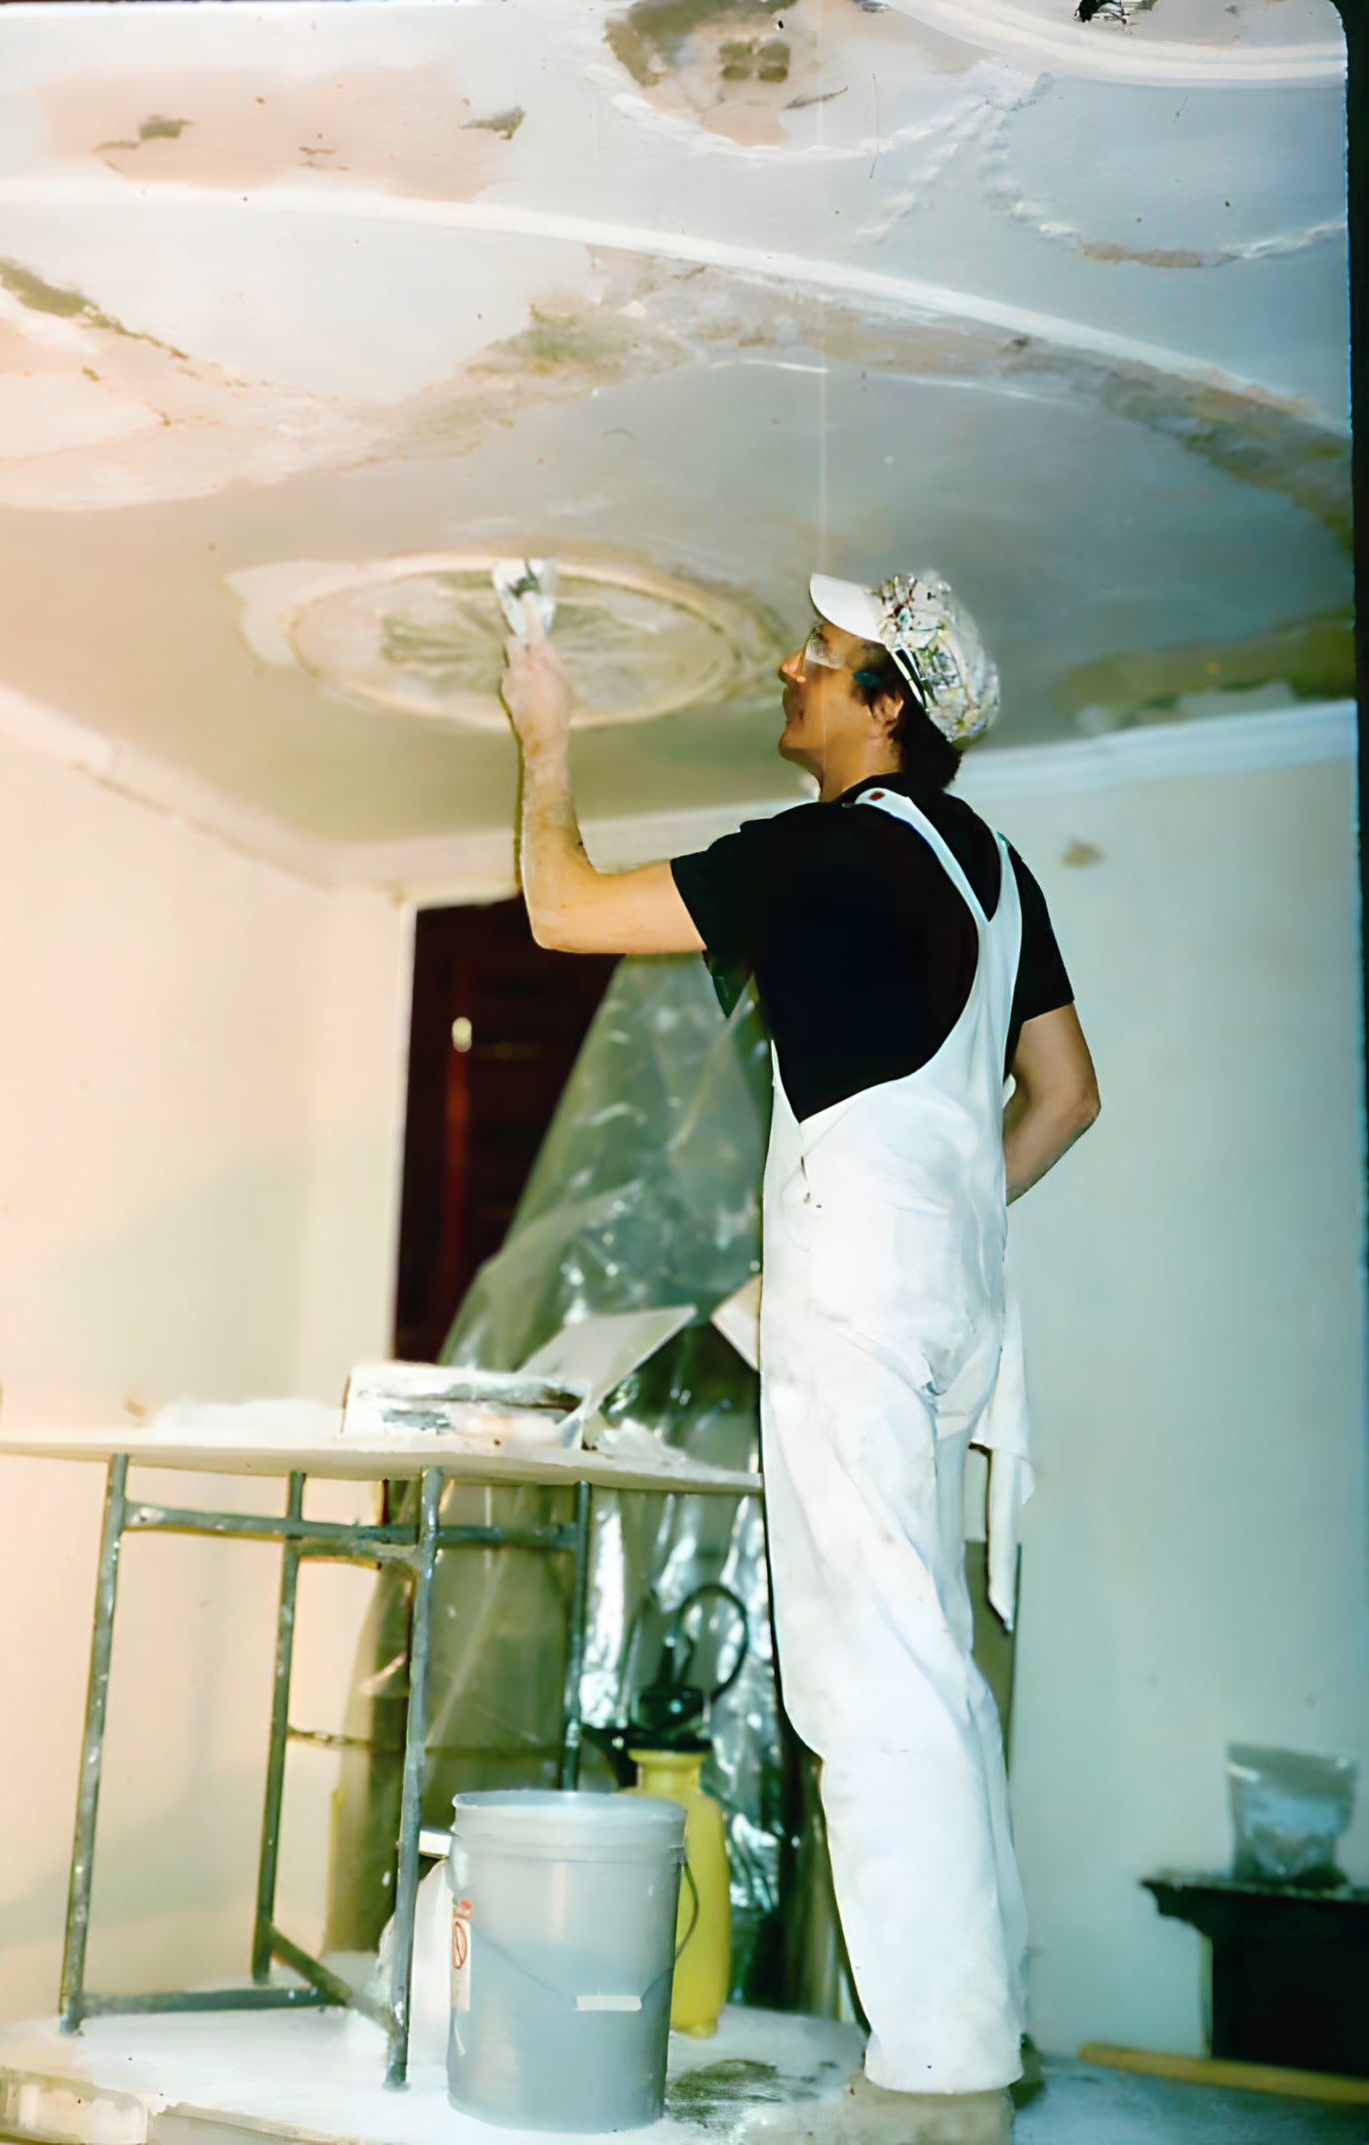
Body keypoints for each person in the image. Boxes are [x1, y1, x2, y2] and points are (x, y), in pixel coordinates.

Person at [499, 569, 1100, 2140]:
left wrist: (543, 734)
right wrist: (924, 1217)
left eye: (820, 657)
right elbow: (1064, 1097)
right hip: (955, 1296)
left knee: (872, 1666)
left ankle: (939, 2084)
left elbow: (559, 906)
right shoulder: (998, 874)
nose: (788, 663)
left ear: (885, 703)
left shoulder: (825, 850)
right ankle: (983, 2038)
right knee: (938, 1673)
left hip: (869, 1293)